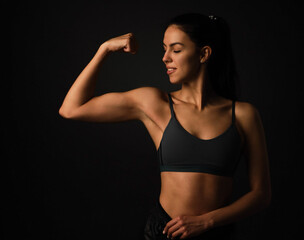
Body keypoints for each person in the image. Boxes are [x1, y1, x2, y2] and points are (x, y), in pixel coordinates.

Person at [59, 13, 271, 240]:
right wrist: (104, 49)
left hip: (218, 232)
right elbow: (72, 108)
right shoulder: (154, 104)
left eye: (176, 50)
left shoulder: (243, 115)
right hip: (164, 233)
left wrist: (207, 221)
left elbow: (261, 194)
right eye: (164, 49)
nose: (165, 58)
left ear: (203, 54)